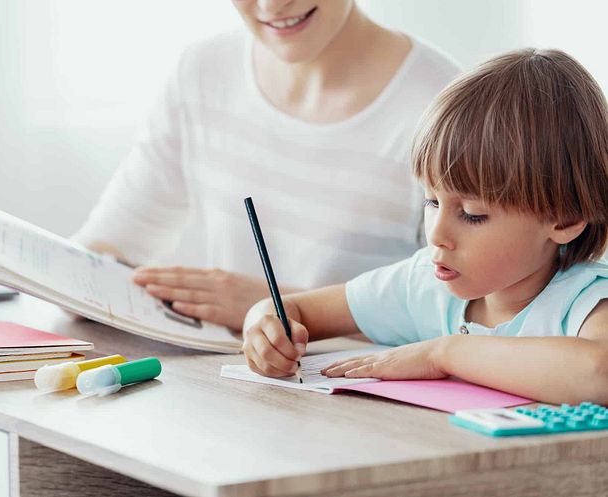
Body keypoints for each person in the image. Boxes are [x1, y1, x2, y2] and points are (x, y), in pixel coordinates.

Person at [241, 48, 608, 404]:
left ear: (566, 219)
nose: (436, 235)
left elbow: (598, 374)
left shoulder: (587, 303)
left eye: (472, 213)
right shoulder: (423, 285)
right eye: (432, 201)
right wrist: (264, 326)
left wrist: (443, 354)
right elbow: (295, 311)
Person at [74, 1, 460, 330]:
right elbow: (109, 242)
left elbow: (464, 316)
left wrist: (277, 306)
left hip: (364, 399)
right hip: (232, 385)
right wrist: (75, 280)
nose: (271, 6)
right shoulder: (202, 73)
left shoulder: (446, 110)